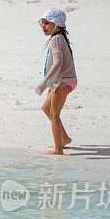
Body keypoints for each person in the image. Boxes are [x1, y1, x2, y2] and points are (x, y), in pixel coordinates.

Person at [35, 8, 77, 155]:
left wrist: (44, 82)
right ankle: (64, 138)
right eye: (42, 23)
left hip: (64, 81)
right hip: (61, 81)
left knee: (54, 114)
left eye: (47, 23)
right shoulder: (58, 38)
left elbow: (58, 63)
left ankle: (58, 149)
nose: (43, 26)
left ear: (57, 25)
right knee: (46, 108)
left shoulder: (56, 39)